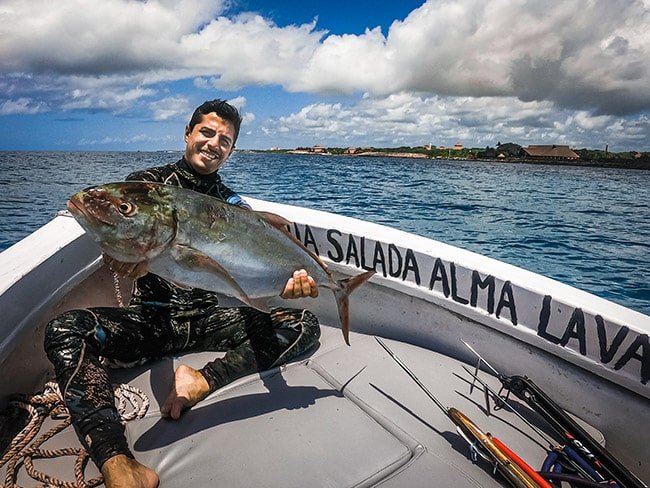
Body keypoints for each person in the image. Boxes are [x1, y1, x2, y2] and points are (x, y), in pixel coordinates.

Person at [44, 99, 321, 488]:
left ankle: (202, 381)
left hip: (208, 318)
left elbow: (249, 275)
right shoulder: (145, 186)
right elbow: (118, 246)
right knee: (64, 330)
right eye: (207, 133)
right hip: (151, 320)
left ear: (232, 150)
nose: (213, 144)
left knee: (304, 325)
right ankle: (117, 460)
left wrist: (288, 288)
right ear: (188, 133)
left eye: (225, 140)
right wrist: (124, 261)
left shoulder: (235, 207)